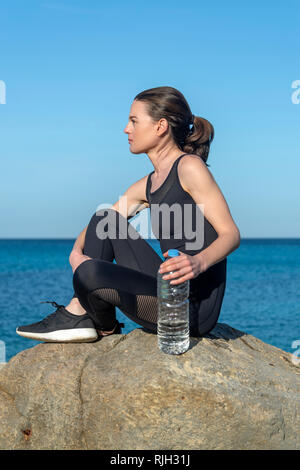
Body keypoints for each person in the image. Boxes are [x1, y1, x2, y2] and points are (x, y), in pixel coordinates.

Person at [16, 86, 240, 343]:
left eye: (134, 121)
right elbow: (101, 223)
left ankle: (84, 314)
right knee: (104, 220)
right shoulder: (148, 184)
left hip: (189, 309)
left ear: (161, 126)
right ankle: (94, 320)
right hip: (164, 289)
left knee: (90, 273)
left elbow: (231, 234)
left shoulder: (189, 167)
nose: (126, 129)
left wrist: (198, 262)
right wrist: (76, 253)